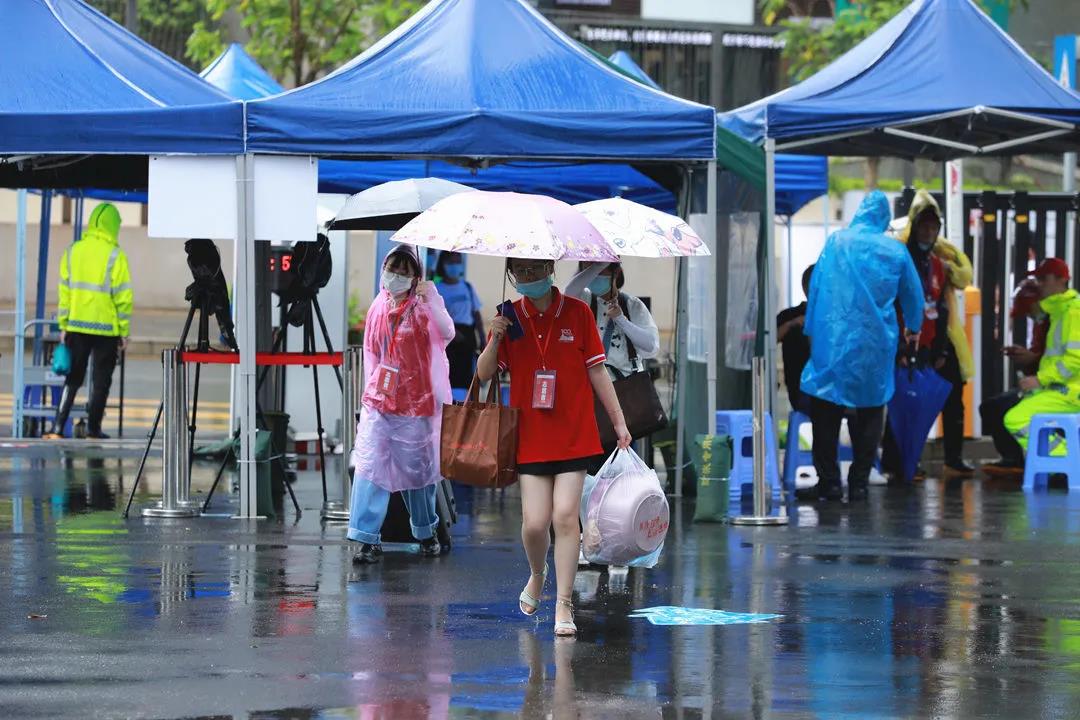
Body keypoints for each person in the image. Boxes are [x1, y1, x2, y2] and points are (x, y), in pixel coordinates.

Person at [477, 257, 630, 638]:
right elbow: (483, 373)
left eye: (535, 269)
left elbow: (597, 370)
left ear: (549, 268)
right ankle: (537, 573)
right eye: (521, 272)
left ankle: (563, 603)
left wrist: (619, 422)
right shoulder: (509, 317)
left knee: (564, 516)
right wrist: (495, 338)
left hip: (574, 432)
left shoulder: (578, 313)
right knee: (534, 523)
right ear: (512, 275)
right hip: (530, 436)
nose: (529, 277)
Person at [799, 191, 924, 502]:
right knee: (870, 410)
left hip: (834, 341)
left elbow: (817, 287)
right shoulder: (895, 251)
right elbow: (914, 295)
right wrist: (914, 328)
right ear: (883, 217)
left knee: (826, 410)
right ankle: (859, 483)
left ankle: (829, 482)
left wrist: (812, 329)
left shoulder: (837, 242)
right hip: (875, 343)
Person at [348, 245, 454, 564]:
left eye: (403, 271)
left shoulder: (423, 307)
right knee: (370, 468)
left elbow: (447, 332)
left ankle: (425, 531)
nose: (395, 276)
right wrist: (369, 393)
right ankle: (366, 538)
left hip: (417, 403)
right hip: (380, 401)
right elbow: (372, 353)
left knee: (418, 473)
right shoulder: (378, 306)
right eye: (392, 268)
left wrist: (432, 298)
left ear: (415, 277)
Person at [887, 190, 975, 478]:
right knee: (903, 401)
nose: (928, 232)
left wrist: (941, 349)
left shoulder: (938, 262)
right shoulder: (900, 257)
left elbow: (944, 302)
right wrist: (900, 348)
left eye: (933, 227)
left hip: (933, 341)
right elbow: (894, 305)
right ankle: (897, 462)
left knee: (952, 393)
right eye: (923, 226)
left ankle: (953, 458)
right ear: (914, 227)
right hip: (905, 342)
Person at [44, 203, 132, 440]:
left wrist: (64, 324)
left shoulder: (73, 251)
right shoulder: (116, 255)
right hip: (107, 329)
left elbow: (65, 291)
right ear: (113, 226)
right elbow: (123, 297)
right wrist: (124, 331)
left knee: (73, 377)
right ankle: (93, 429)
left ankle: (58, 427)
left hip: (76, 326)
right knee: (101, 380)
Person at [568, 261, 660, 470]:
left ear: (616, 271)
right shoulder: (583, 300)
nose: (594, 275)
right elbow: (568, 292)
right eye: (587, 268)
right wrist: (596, 263)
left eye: (601, 269)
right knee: (588, 467)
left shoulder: (632, 304)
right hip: (588, 396)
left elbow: (651, 347)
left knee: (621, 467)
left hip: (625, 398)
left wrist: (621, 320)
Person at [1003, 258, 1080, 456]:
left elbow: (1075, 361)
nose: (1039, 284)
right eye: (1038, 279)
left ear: (1062, 280)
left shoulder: (1073, 312)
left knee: (1016, 418)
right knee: (1019, 411)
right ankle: (1059, 462)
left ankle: (1066, 461)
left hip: (1071, 393)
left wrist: (1039, 379)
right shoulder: (1059, 312)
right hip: (1063, 390)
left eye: (1044, 278)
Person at [981, 278, 1051, 476]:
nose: (1029, 315)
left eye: (1029, 310)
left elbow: (1063, 362)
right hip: (1042, 385)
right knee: (990, 407)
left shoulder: (1059, 322)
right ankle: (1013, 459)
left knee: (1002, 409)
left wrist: (1033, 358)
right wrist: (1028, 357)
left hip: (1053, 389)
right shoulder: (1041, 325)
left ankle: (1021, 460)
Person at [434, 251, 485, 389]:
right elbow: (434, 318)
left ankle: (464, 402)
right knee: (449, 379)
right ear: (443, 264)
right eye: (451, 262)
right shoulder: (437, 289)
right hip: (448, 339)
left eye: (458, 262)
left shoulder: (467, 287)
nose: (455, 266)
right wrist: (452, 332)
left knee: (467, 380)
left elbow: (476, 313)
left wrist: (482, 338)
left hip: (468, 338)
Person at [777, 265, 815, 414]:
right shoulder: (790, 315)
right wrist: (791, 324)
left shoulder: (833, 317)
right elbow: (769, 341)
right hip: (802, 390)